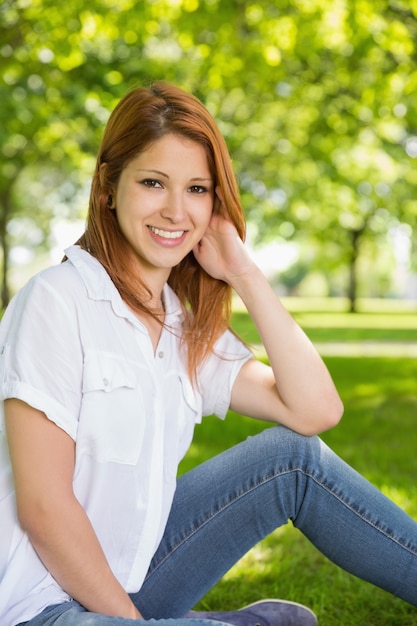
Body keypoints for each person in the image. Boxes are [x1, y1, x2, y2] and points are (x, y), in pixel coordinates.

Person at [0, 82, 416, 626]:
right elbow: (43, 507)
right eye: (153, 182)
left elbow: (315, 412)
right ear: (108, 185)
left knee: (295, 458)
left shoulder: (182, 326)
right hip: (40, 604)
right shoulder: (56, 300)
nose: (176, 210)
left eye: (197, 189)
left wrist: (245, 273)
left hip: (135, 580)